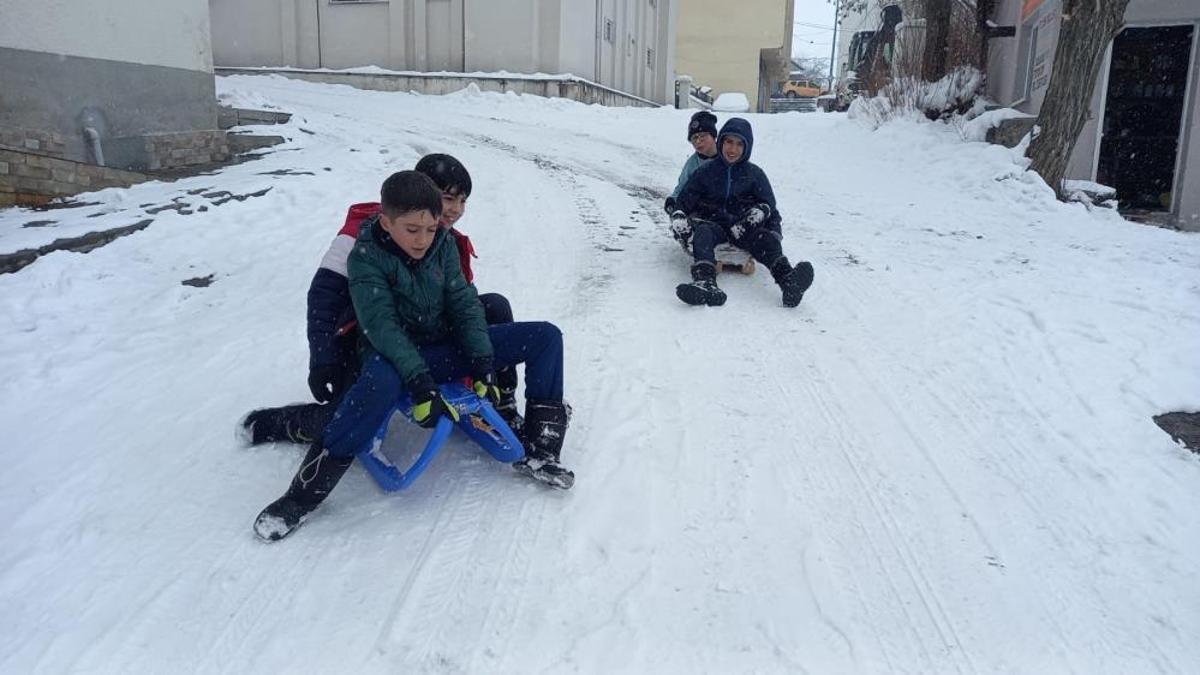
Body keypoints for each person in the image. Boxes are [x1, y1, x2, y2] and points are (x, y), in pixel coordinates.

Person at [254, 171, 575, 542]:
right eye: (412, 230)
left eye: (430, 228)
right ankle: (301, 497)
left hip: (441, 345)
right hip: (389, 354)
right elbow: (382, 326)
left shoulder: (442, 243)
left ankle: (543, 449)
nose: (423, 239)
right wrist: (419, 381)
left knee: (546, 337)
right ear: (386, 222)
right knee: (372, 392)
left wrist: (483, 362)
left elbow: (464, 304)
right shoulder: (363, 255)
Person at [239, 154, 525, 447]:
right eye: (447, 199)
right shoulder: (361, 237)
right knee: (346, 420)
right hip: (370, 337)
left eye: (462, 201)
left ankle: (503, 405)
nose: (454, 210)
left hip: (420, 333)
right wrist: (323, 356)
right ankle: (288, 423)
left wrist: (475, 359)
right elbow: (324, 297)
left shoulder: (441, 239)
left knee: (495, 305)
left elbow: (459, 301)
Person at [671, 117, 814, 308]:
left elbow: (769, 204)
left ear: (747, 147)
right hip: (714, 225)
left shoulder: (754, 174)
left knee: (765, 239)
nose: (733, 149)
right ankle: (705, 282)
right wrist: (679, 213)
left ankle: (789, 282)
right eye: (729, 142)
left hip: (743, 227)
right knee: (702, 235)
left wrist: (763, 215)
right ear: (721, 141)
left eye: (739, 144)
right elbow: (686, 198)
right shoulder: (705, 172)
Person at [663, 110, 719, 252]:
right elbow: (682, 186)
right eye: (694, 138)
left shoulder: (727, 156)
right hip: (702, 208)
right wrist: (673, 200)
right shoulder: (692, 163)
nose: (698, 141)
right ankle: (689, 235)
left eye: (702, 136)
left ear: (713, 136)